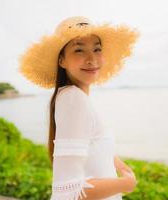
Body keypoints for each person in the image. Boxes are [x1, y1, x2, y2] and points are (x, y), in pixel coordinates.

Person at [19, 16, 140, 200]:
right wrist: (126, 184)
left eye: (97, 49)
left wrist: (118, 165)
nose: (92, 59)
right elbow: (69, 191)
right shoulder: (73, 100)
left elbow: (91, 146)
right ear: (62, 60)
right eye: (79, 50)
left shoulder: (71, 97)